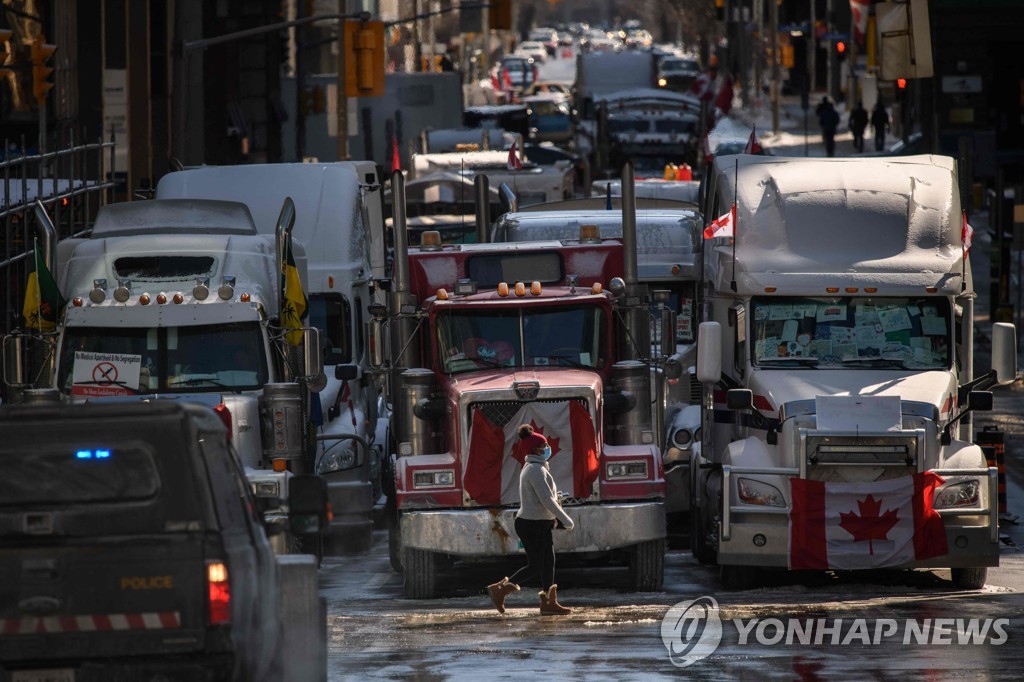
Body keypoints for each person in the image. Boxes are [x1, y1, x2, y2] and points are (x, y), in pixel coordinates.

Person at [487, 424, 575, 616]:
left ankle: (549, 603)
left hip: (539, 523)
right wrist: (566, 520)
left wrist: (556, 500)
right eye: (544, 447)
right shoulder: (535, 470)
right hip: (530, 525)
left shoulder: (537, 468)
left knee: (548, 562)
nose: (547, 449)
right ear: (536, 450)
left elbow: (544, 496)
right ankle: (499, 590)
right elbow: (546, 499)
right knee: (535, 565)